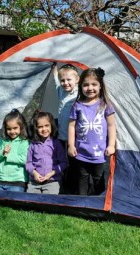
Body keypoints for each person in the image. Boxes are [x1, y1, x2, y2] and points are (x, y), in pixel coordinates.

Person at [68, 67, 116, 196]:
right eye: (86, 85)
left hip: (100, 153)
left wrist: (111, 145)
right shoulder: (77, 105)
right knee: (82, 178)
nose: (90, 88)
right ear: (81, 86)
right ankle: (82, 202)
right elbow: (72, 126)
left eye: (94, 84)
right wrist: (71, 145)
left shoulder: (105, 105)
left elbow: (111, 125)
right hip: (81, 152)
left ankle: (98, 203)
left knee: (98, 179)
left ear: (100, 86)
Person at [26, 111, 68, 194]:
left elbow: (64, 163)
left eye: (46, 125)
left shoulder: (56, 144)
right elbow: (28, 163)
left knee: (49, 202)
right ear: (36, 128)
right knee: (31, 201)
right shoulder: (33, 145)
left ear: (51, 126)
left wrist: (51, 174)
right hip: (35, 182)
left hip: (52, 181)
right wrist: (34, 174)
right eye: (40, 127)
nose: (44, 129)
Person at [54, 63, 80, 194]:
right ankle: (64, 184)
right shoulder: (61, 92)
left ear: (77, 80)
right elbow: (55, 82)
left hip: (75, 136)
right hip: (62, 135)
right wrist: (53, 68)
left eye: (69, 79)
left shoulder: (80, 93)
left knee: (74, 161)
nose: (65, 83)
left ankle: (74, 186)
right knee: (64, 160)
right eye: (62, 80)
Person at [0, 109, 30, 192]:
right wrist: (2, 153)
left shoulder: (24, 142)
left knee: (13, 201)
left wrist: (7, 156)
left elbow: (25, 159)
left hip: (18, 181)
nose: (12, 131)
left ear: (21, 127)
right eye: (9, 129)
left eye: (15, 128)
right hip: (1, 180)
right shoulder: (3, 141)